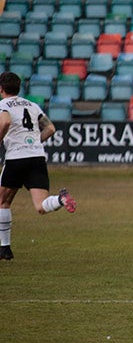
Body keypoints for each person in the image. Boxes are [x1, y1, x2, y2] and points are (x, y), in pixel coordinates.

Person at [0, 72, 76, 260]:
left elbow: (6, 121)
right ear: (19, 88)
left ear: (1, 89)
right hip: (36, 157)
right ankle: (60, 200)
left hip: (16, 158)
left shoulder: (3, 105)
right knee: (41, 206)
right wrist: (34, 143)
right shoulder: (32, 105)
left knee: (3, 202)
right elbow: (50, 128)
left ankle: (5, 249)